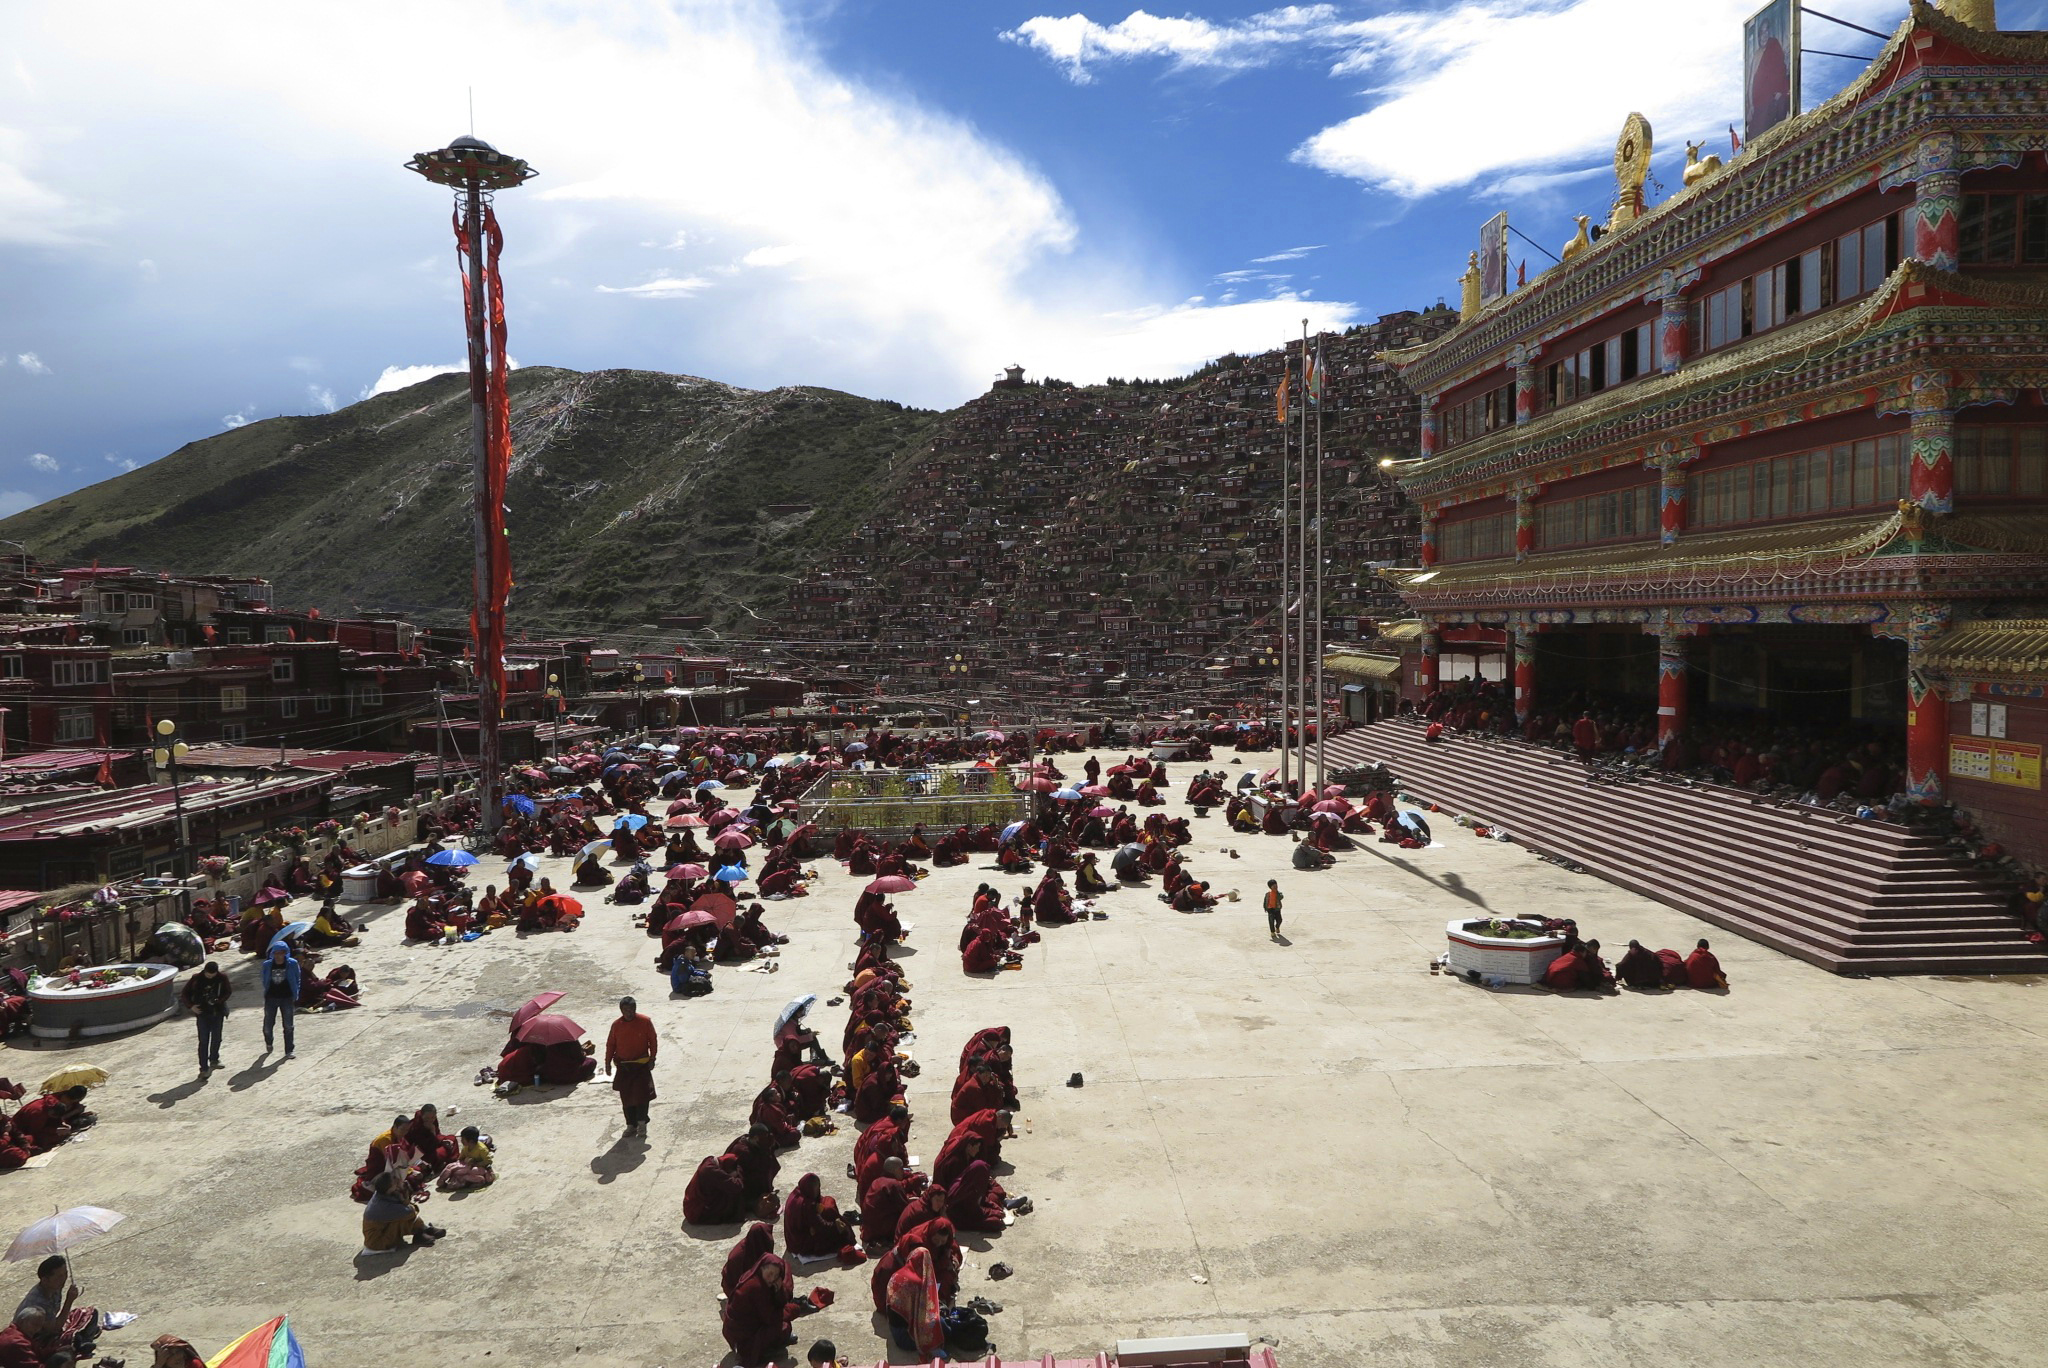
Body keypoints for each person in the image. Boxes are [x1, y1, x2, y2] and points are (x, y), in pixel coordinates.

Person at [721, 1253, 800, 1368]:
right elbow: (770, 1318)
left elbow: (778, 1305)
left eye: (776, 1275)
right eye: (769, 1274)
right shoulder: (755, 1287)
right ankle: (749, 1357)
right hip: (742, 1337)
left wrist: (778, 1291)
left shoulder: (764, 1283)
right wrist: (793, 1310)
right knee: (783, 1327)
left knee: (784, 1324)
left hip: (752, 1327)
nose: (772, 1278)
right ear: (761, 1269)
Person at [16, 1255, 94, 1362]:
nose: (63, 1279)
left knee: (90, 1314)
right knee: (63, 1352)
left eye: (65, 1274)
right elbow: (55, 1328)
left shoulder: (54, 1287)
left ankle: (82, 1342)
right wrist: (69, 1300)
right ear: (45, 1280)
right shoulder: (38, 1302)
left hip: (51, 1327)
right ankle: (80, 1343)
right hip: (38, 1340)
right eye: (59, 1277)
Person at [605, 995, 659, 1138]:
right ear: (621, 1010)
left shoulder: (645, 1021)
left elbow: (652, 1040)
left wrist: (652, 1058)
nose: (629, 1013)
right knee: (627, 1097)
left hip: (641, 1065)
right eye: (625, 1010)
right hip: (624, 1066)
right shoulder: (616, 1025)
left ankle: (642, 1124)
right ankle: (631, 1125)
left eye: (631, 1009)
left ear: (635, 1009)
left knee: (642, 1096)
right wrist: (607, 1063)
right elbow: (611, 1044)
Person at [360, 1168, 444, 1255]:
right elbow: (411, 1211)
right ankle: (421, 1232)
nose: (397, 1181)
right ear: (389, 1188)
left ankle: (425, 1229)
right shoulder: (383, 1206)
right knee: (406, 1216)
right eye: (394, 1181)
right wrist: (404, 1199)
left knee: (404, 1214)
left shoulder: (383, 1194)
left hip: (383, 1231)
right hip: (377, 1242)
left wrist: (402, 1196)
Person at [886, 1247, 944, 1359]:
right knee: (941, 1325)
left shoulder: (897, 1274)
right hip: (906, 1338)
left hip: (893, 1329)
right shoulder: (917, 1282)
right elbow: (923, 1313)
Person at [182, 960, 231, 1074]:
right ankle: (203, 1068)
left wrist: (219, 1001)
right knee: (203, 1041)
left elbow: (228, 991)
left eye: (212, 975)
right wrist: (191, 1006)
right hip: (202, 1014)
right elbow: (185, 994)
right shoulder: (196, 978)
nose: (209, 977)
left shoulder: (222, 978)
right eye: (208, 975)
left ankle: (214, 1059)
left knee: (217, 1038)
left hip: (217, 1012)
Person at [260, 941, 300, 1058]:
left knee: (288, 1026)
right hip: (271, 998)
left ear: (285, 953)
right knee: (268, 1025)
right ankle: (269, 1042)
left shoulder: (292, 964)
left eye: (281, 953)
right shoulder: (267, 965)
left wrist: (295, 993)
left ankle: (289, 1050)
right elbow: (264, 979)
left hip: (286, 998)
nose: (278, 956)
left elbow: (297, 979)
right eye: (276, 953)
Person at [438, 1126, 495, 1190]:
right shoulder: (466, 1148)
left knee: (472, 1171)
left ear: (471, 1141)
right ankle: (443, 1180)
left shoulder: (482, 1149)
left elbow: (488, 1161)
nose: (461, 1141)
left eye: (463, 1139)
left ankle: (479, 1180)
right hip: (467, 1165)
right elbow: (460, 1159)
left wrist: (475, 1163)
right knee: (451, 1167)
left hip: (480, 1168)